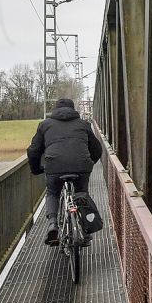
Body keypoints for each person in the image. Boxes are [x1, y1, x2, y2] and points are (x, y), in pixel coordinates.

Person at [27, 98, 102, 246]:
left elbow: (34, 150)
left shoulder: (45, 125)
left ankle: (53, 224)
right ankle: (84, 230)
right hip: (81, 167)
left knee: (53, 193)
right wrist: (88, 162)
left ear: (55, 110)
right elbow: (97, 149)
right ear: (73, 109)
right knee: (81, 193)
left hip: (54, 167)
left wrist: (36, 169)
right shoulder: (83, 124)